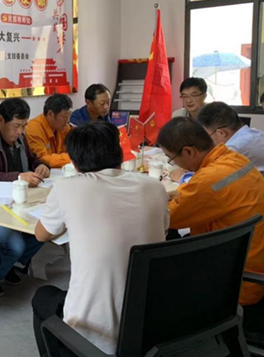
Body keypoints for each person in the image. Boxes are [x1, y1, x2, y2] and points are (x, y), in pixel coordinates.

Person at [31, 121, 168, 355]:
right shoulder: (154, 186)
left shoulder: (66, 188)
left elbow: (41, 234)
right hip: (151, 319)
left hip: (94, 331)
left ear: (74, 163)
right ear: (119, 153)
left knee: (42, 297)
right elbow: (163, 232)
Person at [157, 117, 264, 306]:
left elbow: (167, 218)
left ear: (188, 151)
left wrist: (153, 198)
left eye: (172, 159)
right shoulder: (233, 159)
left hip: (238, 283)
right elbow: (204, 194)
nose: (174, 163)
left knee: (155, 267)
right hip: (258, 267)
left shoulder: (209, 179)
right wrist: (178, 194)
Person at [0, 98, 49, 296]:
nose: (20, 131)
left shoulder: (20, 138)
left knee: (47, 228)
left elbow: (32, 159)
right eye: (16, 126)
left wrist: (41, 165)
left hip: (21, 203)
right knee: (16, 245)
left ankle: (7, 266)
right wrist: (19, 177)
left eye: (24, 125)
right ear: (0, 120)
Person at [198, 102, 264, 221]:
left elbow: (211, 185)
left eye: (208, 136)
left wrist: (183, 177)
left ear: (221, 132)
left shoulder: (235, 148)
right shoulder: (256, 134)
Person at [25, 94, 73, 168]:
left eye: (69, 115)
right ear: (50, 114)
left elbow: (72, 151)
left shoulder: (65, 127)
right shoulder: (33, 128)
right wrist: (72, 158)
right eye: (64, 116)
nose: (68, 120)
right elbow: (41, 158)